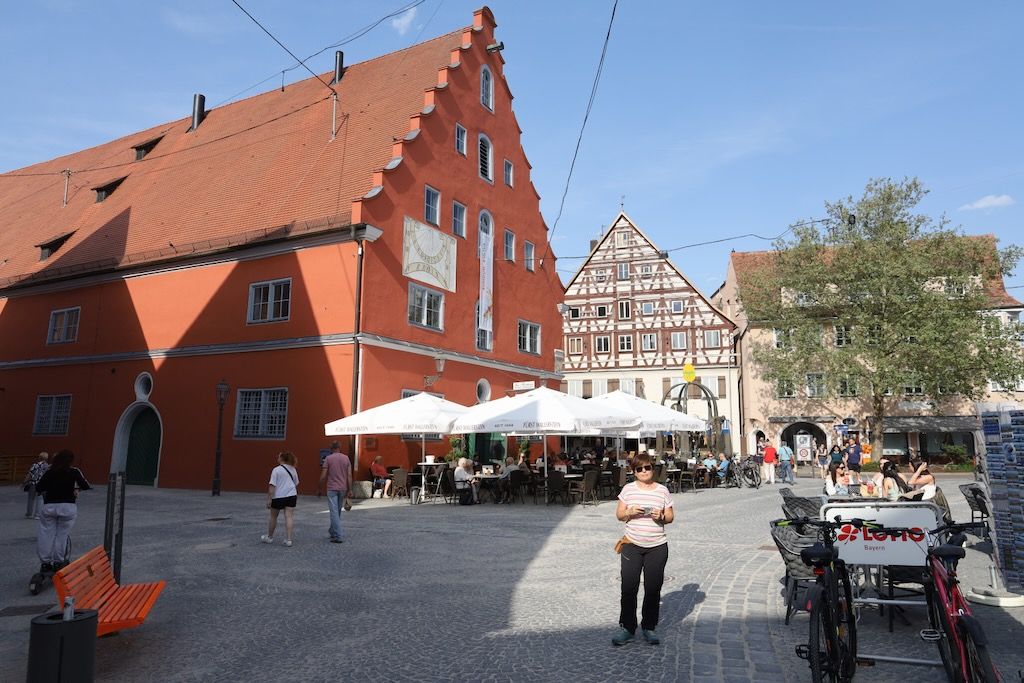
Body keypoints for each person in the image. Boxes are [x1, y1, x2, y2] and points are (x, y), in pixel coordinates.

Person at [613, 453, 674, 646]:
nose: (644, 471)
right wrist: (629, 512)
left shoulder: (662, 490)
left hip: (657, 547)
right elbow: (619, 515)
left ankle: (649, 627)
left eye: (647, 467)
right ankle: (627, 628)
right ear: (634, 472)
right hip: (631, 545)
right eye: (639, 469)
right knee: (628, 587)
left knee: (653, 589)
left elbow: (670, 517)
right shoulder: (628, 489)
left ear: (652, 469)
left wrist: (661, 516)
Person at [34, 449, 91, 573]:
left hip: (49, 506)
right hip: (67, 506)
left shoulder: (50, 472)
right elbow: (86, 485)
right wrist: (76, 489)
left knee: (46, 534)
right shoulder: (74, 471)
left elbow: (39, 487)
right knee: (62, 535)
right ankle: (58, 561)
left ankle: (45, 562)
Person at [262, 452, 299, 547]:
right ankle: (289, 540)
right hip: (291, 495)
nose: (277, 458)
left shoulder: (276, 470)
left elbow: (272, 486)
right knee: (289, 517)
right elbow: (296, 483)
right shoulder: (293, 469)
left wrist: (269, 499)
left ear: (282, 458)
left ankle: (269, 537)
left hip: (278, 496)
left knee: (273, 517)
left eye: (278, 456)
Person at [319, 441, 352, 543]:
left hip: (332, 488)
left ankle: (338, 535)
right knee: (337, 511)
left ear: (331, 448)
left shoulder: (328, 459)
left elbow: (323, 476)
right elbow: (349, 475)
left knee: (334, 512)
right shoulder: (346, 458)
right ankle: (332, 531)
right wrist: (350, 489)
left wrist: (319, 487)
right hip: (342, 488)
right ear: (340, 447)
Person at [23, 451, 49, 519]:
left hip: (33, 483)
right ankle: (37, 514)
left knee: (30, 499)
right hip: (42, 484)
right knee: (40, 499)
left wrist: (24, 482)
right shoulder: (47, 466)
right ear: (46, 458)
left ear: (39, 457)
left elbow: (30, 474)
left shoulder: (34, 465)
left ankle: (29, 514)